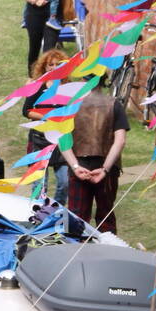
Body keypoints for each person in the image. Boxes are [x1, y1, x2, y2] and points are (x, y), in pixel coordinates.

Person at [61, 85, 128, 234]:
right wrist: (105, 169)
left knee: (76, 216)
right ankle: (107, 253)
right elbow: (120, 141)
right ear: (104, 81)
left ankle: (75, 253)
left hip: (79, 165)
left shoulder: (70, 104)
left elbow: (62, 139)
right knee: (106, 217)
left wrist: (75, 166)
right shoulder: (114, 103)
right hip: (107, 167)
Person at [22, 48, 71, 202]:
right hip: (39, 140)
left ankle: (56, 210)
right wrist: (47, 117)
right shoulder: (38, 86)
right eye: (50, 64)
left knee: (65, 181)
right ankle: (37, 213)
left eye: (57, 64)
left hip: (61, 141)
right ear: (44, 66)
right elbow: (27, 111)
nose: (54, 67)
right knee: (39, 182)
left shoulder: (68, 88)